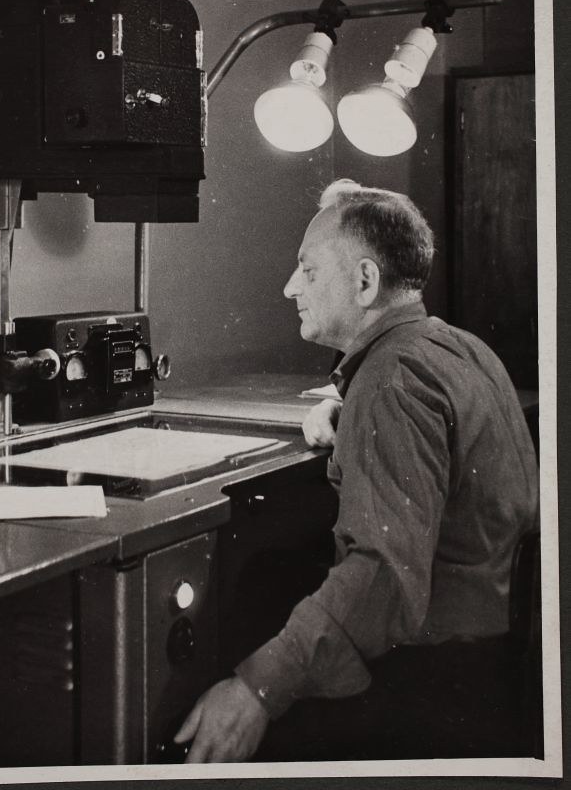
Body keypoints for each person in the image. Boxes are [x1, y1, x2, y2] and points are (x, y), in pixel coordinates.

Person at [175, 180, 539, 763]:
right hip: (499, 659)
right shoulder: (458, 348)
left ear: (366, 282)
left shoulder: (392, 380)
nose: (290, 287)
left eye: (309, 271)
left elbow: (383, 581)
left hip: (436, 683)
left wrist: (255, 691)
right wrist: (350, 412)